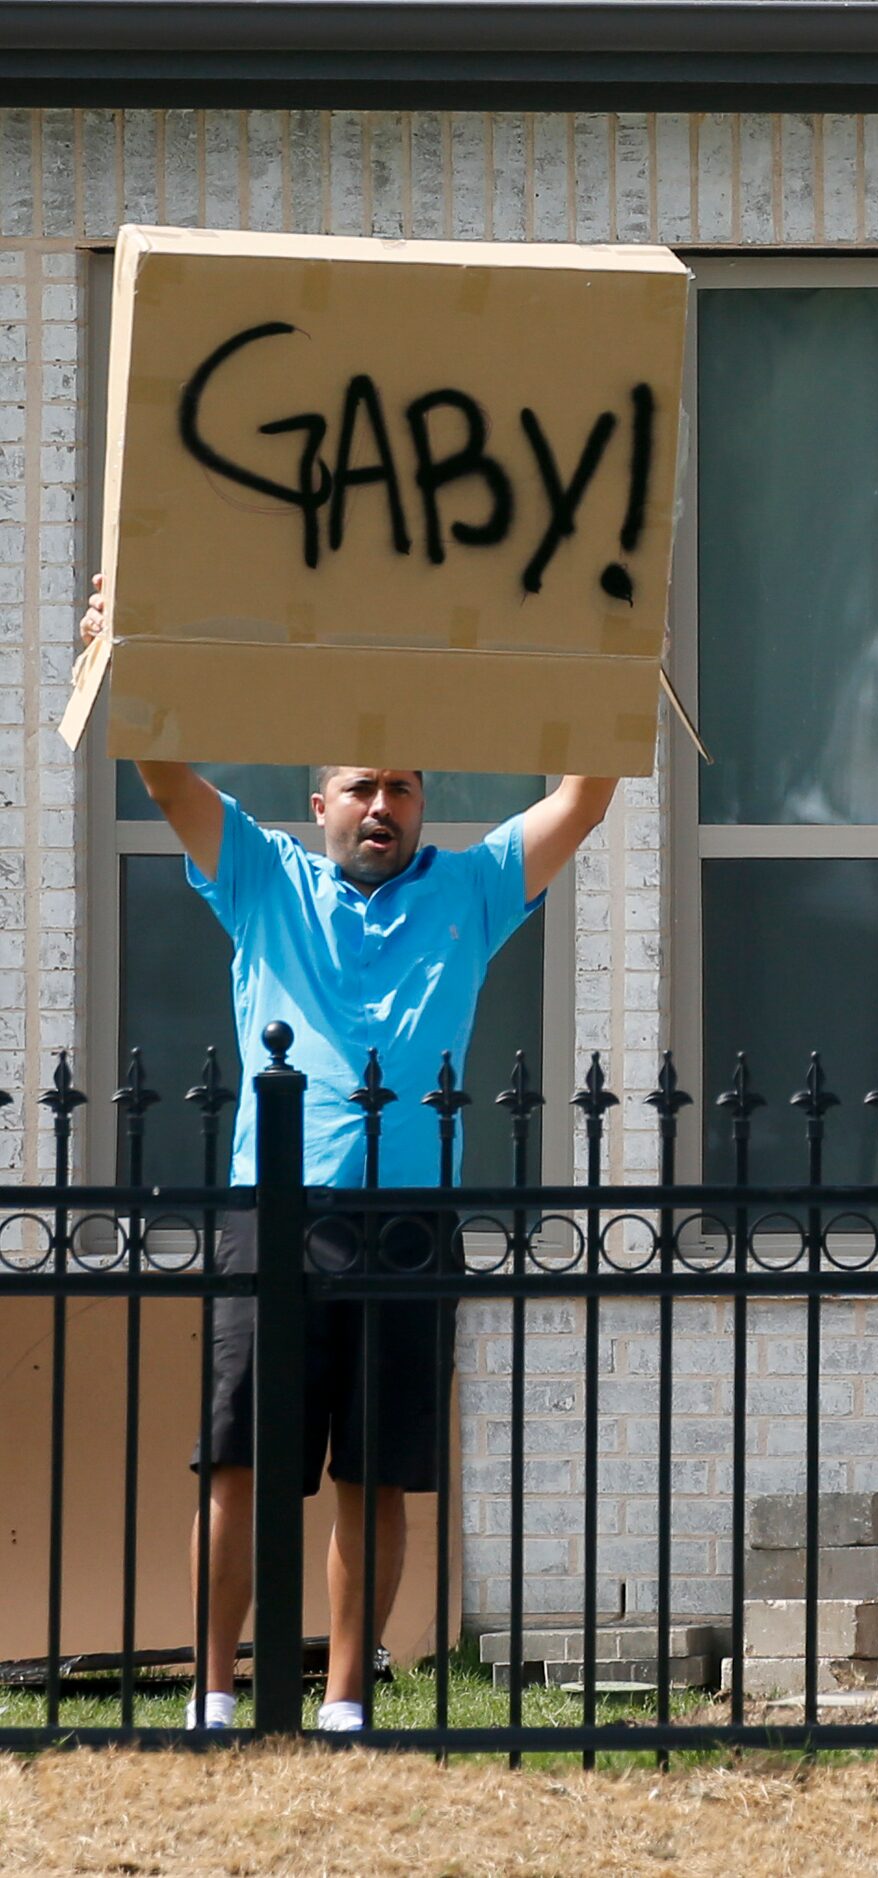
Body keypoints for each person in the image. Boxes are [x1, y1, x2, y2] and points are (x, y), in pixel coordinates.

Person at [79, 573, 620, 1734]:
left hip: (411, 1215)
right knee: (241, 1464)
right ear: (318, 801)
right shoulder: (266, 879)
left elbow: (585, 798)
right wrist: (130, 656)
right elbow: (166, 772)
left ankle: (344, 1704)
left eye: (405, 788)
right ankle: (214, 1695)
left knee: (378, 1476)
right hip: (271, 1208)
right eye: (362, 787)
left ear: (426, 805)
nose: (384, 805)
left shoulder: (474, 891)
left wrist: (605, 650)